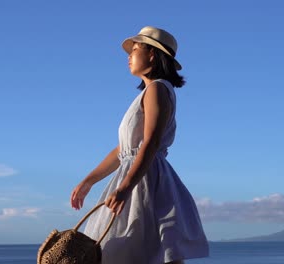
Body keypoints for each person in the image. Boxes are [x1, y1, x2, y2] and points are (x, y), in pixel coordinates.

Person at [70, 26, 209, 264]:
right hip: (138, 175)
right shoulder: (148, 92)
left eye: (135, 50)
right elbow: (123, 150)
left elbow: (151, 143)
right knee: (144, 251)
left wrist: (125, 187)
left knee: (136, 251)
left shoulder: (157, 89)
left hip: (143, 180)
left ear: (152, 54)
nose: (129, 56)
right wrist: (89, 180)